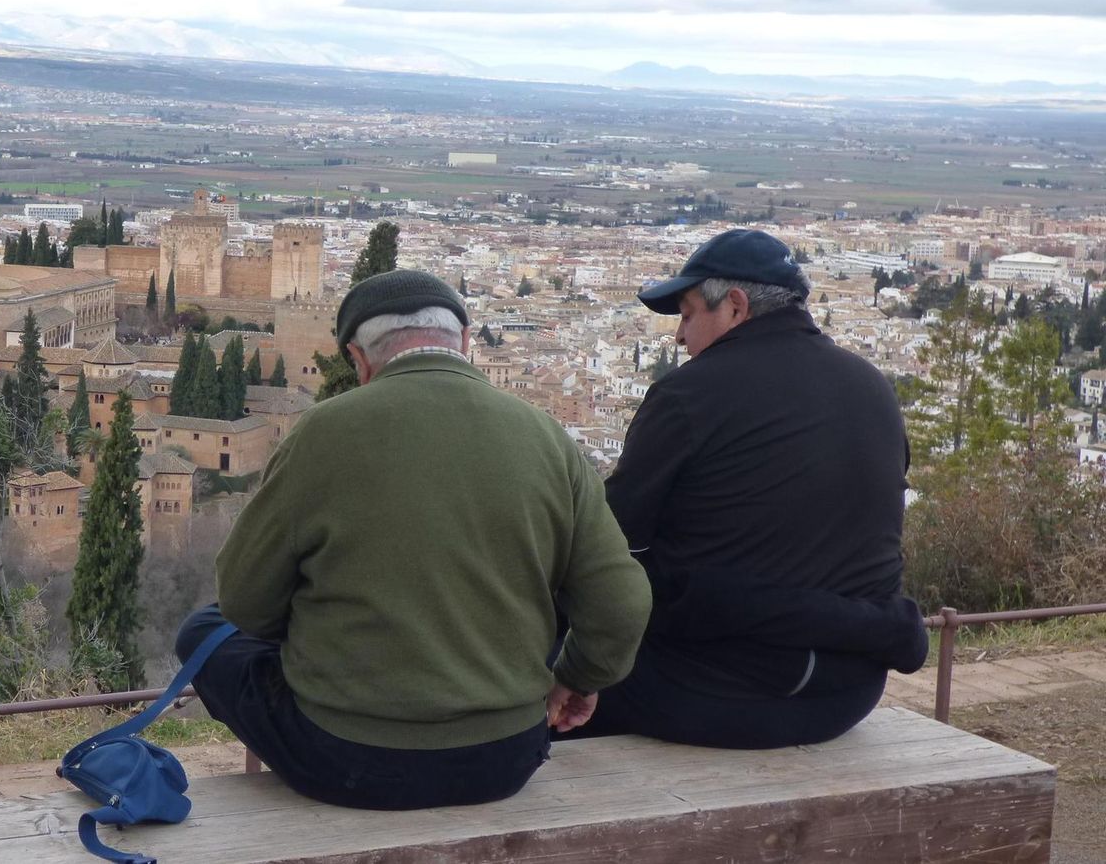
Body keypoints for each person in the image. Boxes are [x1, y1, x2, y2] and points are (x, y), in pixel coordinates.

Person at [175, 269, 651, 810]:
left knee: (205, 630)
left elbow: (245, 603)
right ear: (466, 342)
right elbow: (620, 603)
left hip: (343, 759)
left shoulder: (322, 432)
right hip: (505, 756)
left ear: (357, 357)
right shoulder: (545, 436)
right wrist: (578, 677)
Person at [563, 228, 928, 750]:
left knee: (541, 660)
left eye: (687, 315)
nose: (678, 337)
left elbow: (610, 547)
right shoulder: (873, 387)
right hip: (846, 693)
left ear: (735, 306)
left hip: (716, 693)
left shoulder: (689, 395)